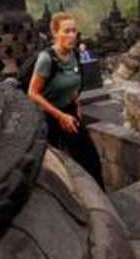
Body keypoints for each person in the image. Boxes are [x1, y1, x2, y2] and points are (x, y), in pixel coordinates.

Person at [28, 12, 106, 190]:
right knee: (56, 165)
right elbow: (33, 93)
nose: (72, 36)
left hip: (69, 112)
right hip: (48, 116)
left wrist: (75, 104)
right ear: (55, 33)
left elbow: (72, 83)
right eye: (66, 31)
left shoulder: (75, 55)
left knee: (90, 158)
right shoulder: (46, 59)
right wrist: (60, 116)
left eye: (74, 31)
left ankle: (102, 197)